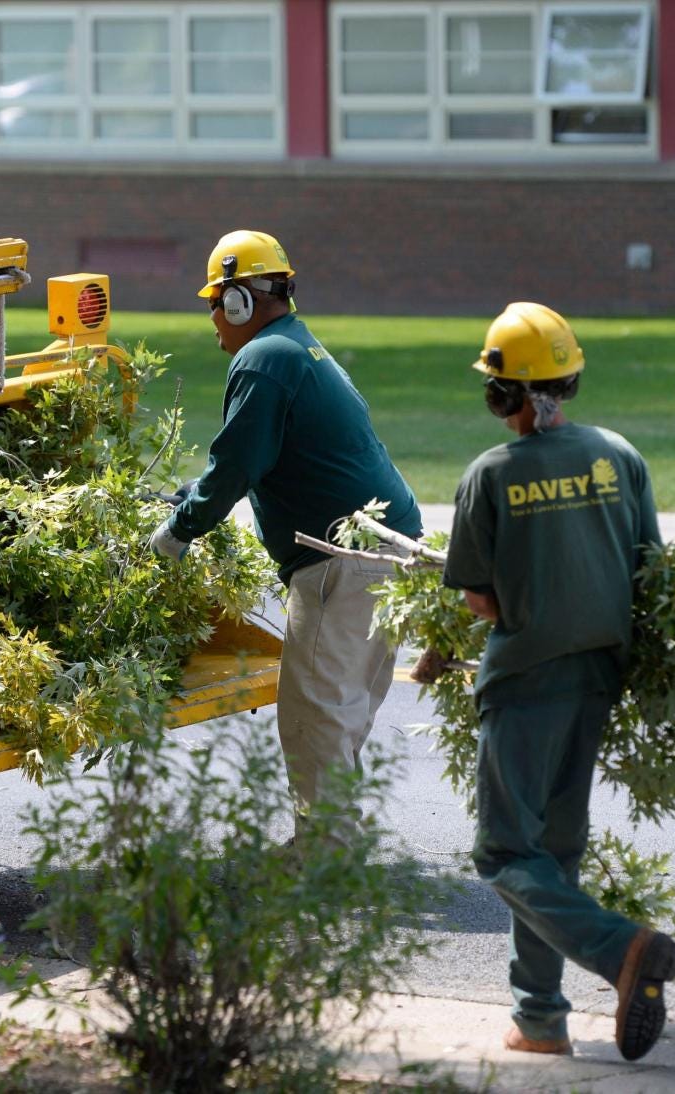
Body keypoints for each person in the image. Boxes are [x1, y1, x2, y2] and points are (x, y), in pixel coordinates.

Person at [441, 301, 675, 1062]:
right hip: (599, 676)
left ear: (500, 393)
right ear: (569, 380)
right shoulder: (619, 456)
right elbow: (649, 565)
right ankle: (540, 1019)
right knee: (551, 850)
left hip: (525, 678)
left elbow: (479, 596)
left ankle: (621, 952)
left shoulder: (489, 475)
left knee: (504, 855)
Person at [148, 229, 422, 849]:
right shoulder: (297, 347)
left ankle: (325, 858)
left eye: (215, 302)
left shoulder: (264, 359)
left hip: (342, 561)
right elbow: (256, 458)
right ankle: (335, 845)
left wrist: (176, 532)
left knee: (315, 714)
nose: (213, 319)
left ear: (240, 300)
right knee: (343, 710)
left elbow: (237, 470)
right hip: (388, 548)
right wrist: (192, 495)